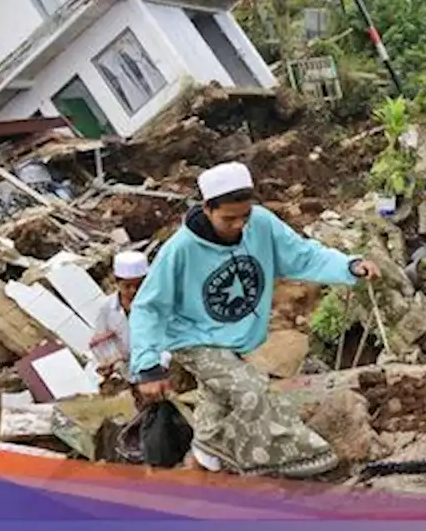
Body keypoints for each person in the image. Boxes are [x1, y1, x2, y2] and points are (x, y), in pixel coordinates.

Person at [128, 161, 381, 478]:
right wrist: (147, 365)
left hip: (235, 337)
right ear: (207, 208)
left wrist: (349, 266)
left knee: (216, 404)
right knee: (249, 390)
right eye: (228, 218)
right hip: (193, 339)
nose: (239, 226)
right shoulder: (179, 250)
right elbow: (149, 306)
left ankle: (197, 470)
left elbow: (301, 255)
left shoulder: (261, 224)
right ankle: (297, 457)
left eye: (244, 216)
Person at [90, 251, 150, 382]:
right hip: (123, 370)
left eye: (138, 286)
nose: (133, 291)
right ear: (117, 283)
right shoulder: (106, 308)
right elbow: (100, 341)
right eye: (127, 286)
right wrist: (110, 360)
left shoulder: (155, 305)